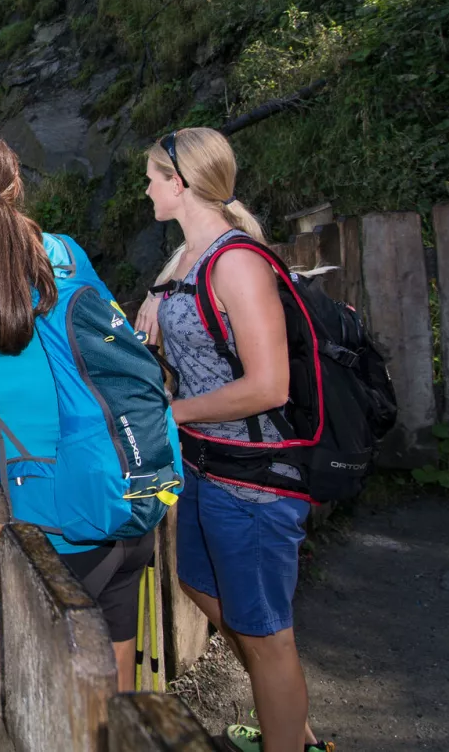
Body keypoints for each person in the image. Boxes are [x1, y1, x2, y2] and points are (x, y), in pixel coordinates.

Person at [0, 127, 153, 691]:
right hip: (122, 490)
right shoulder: (63, 249)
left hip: (59, 524)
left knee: (70, 706)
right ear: (13, 185)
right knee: (120, 699)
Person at [135, 127, 329, 752]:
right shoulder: (187, 263)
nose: (146, 189)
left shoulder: (238, 262)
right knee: (200, 585)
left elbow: (269, 385)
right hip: (207, 465)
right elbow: (185, 317)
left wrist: (175, 413)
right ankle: (287, 723)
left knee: (268, 636)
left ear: (181, 183)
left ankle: (291, 738)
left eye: (153, 178)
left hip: (257, 479)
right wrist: (154, 303)